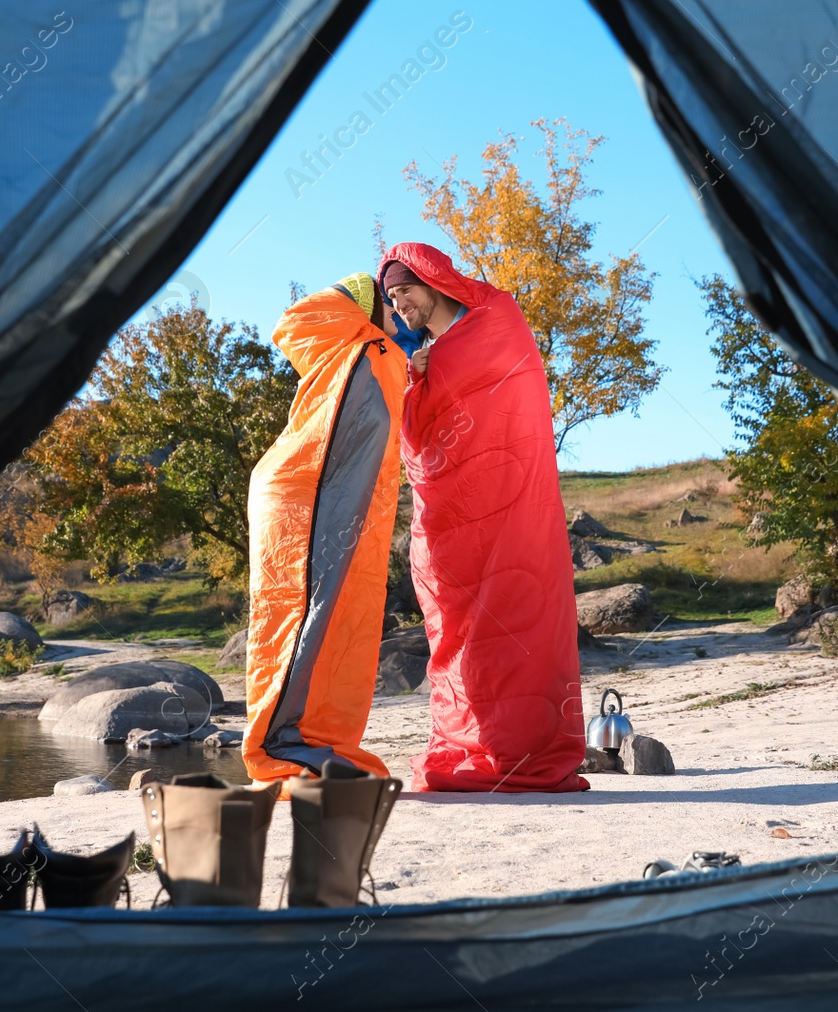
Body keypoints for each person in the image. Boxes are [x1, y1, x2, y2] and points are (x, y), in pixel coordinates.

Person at [380, 243, 588, 793]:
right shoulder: (420, 357)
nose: (400, 307)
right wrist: (411, 378)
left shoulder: (497, 320)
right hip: (452, 524)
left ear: (432, 282)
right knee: (460, 631)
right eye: (392, 300)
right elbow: (415, 444)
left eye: (405, 292)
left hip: (514, 508)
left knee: (521, 620)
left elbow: (512, 405)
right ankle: (476, 743)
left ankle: (522, 749)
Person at [241, 273, 408, 786]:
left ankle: (317, 740)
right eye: (388, 302)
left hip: (306, 495)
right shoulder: (361, 351)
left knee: (338, 623)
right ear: (362, 308)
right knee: (301, 620)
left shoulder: (359, 355)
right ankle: (281, 746)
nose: (398, 314)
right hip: (304, 499)